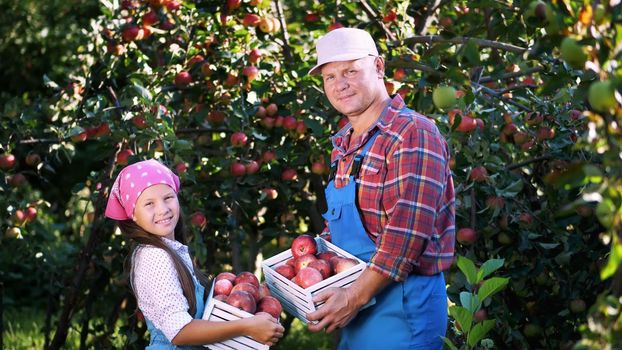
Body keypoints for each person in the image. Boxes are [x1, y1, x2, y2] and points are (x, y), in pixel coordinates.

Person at [305, 28, 456, 350]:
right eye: (330, 76)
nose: (340, 84)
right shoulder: (344, 144)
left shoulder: (412, 133)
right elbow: (342, 227)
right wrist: (306, 268)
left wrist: (353, 298)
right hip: (358, 303)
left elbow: (407, 236)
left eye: (350, 71)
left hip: (403, 306)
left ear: (378, 67)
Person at [104, 159, 284, 349]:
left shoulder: (169, 249)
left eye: (168, 198)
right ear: (133, 214)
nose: (163, 209)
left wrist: (254, 293)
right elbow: (180, 331)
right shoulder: (154, 257)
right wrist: (246, 326)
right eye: (149, 203)